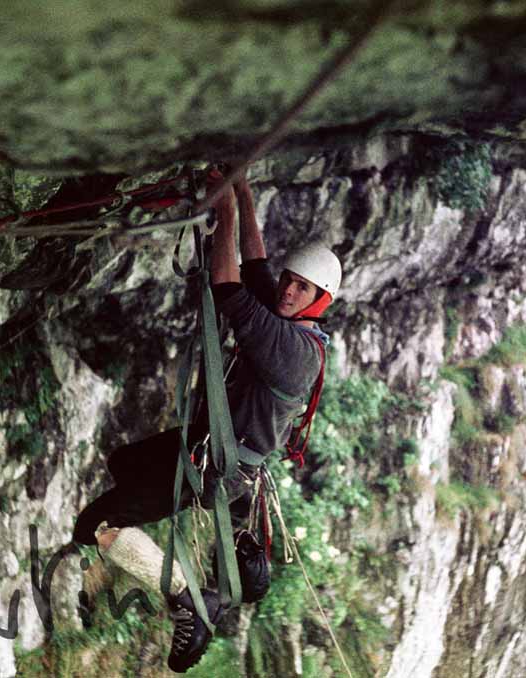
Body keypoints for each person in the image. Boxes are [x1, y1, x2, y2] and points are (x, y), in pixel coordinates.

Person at [72, 168, 341, 673]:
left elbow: (227, 286)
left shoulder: (293, 350)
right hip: (207, 445)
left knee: (97, 525)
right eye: (289, 280)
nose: (286, 291)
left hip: (217, 467)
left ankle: (190, 597)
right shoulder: (284, 318)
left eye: (301, 288)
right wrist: (240, 190)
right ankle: (168, 560)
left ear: (320, 301)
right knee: (122, 461)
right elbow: (256, 262)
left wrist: (223, 211)